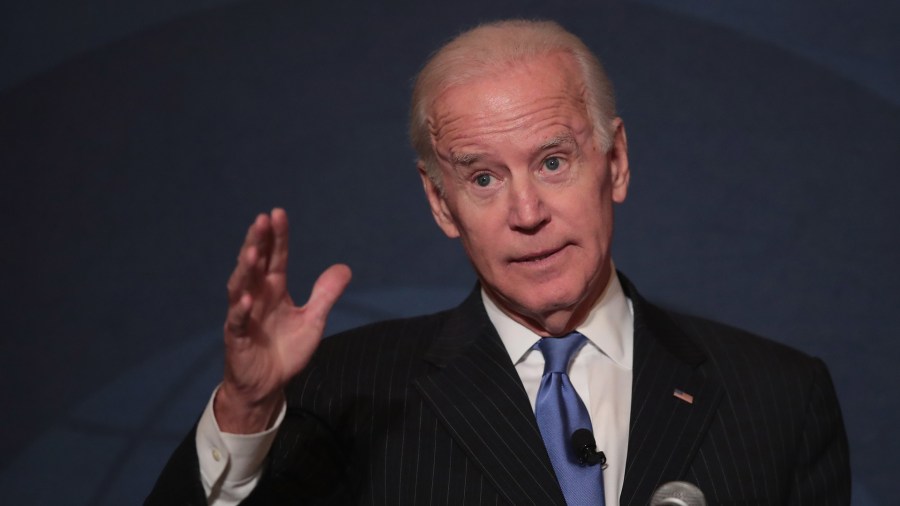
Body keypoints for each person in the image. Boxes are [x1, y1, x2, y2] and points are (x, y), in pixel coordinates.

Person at [147, 19, 850, 505]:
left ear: (617, 163)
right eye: (482, 177)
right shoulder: (343, 395)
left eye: (552, 161)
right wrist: (245, 409)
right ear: (441, 202)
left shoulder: (779, 398)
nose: (526, 212)